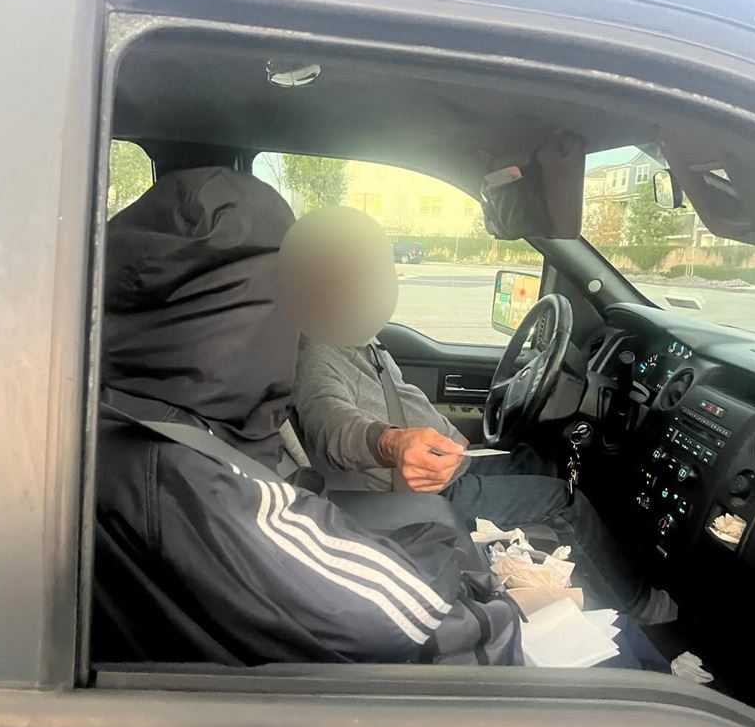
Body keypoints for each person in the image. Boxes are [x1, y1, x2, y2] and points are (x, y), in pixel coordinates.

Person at [93, 168, 523, 667]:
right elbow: (411, 620)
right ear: (254, 308)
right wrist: (460, 561)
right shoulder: (185, 473)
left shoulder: (177, 424)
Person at [281, 205, 676, 624]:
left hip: (452, 464)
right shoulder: (316, 356)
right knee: (565, 499)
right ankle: (637, 605)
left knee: (541, 461)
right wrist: (391, 443)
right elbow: (331, 424)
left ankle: (601, 571)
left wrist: (445, 435)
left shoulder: (358, 338)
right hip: (424, 491)